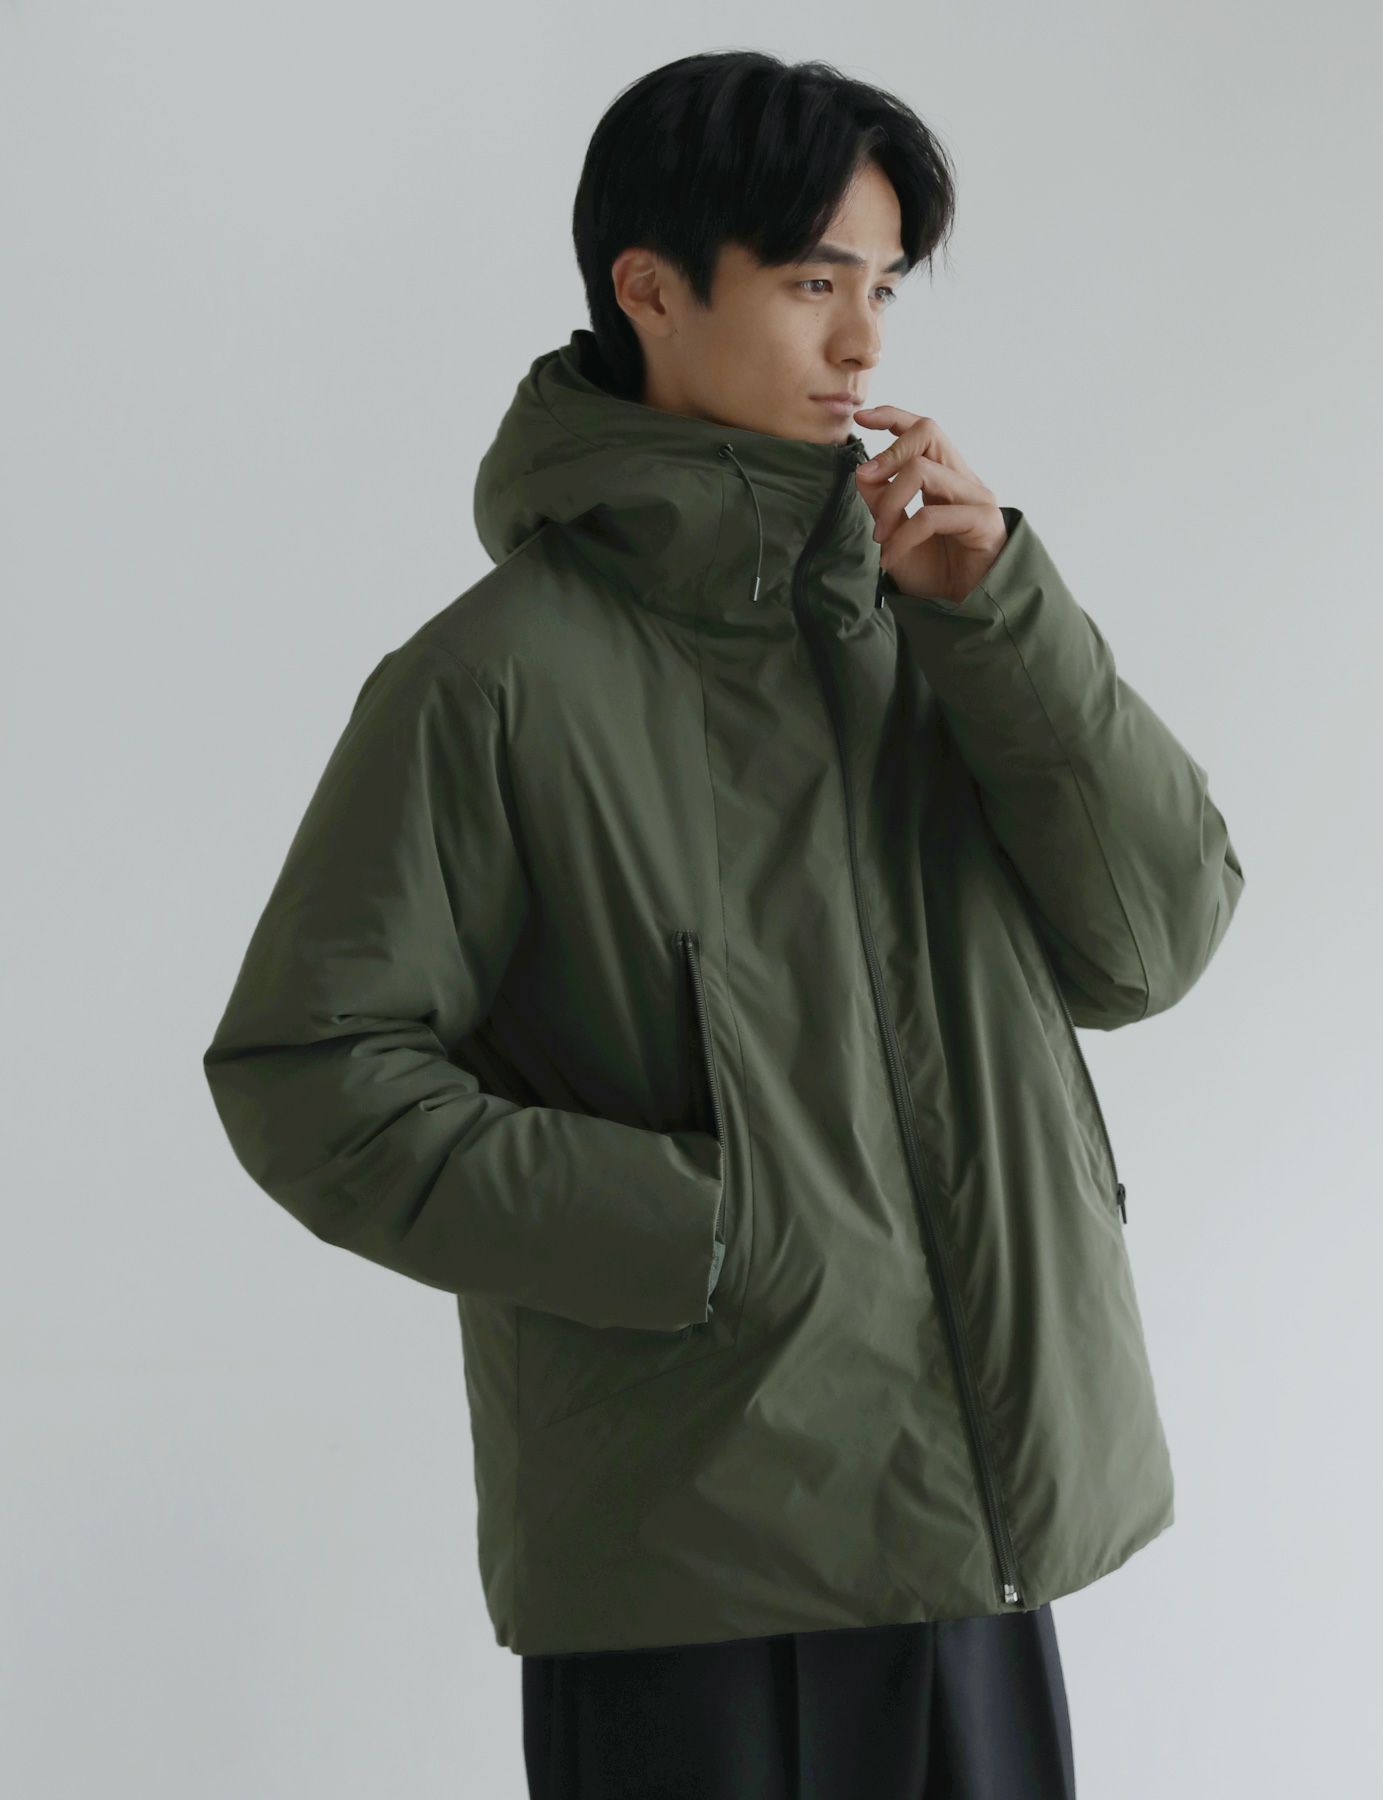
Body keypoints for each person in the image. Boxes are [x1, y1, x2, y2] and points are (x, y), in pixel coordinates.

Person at [203, 49, 1244, 1800]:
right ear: (651, 289)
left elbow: (1152, 944)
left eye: (884, 288)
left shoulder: (940, 620)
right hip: (690, 1577)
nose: (864, 344)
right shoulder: (494, 681)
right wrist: (703, 1234)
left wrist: (1001, 618)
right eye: (814, 282)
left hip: (976, 1557)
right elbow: (307, 1074)